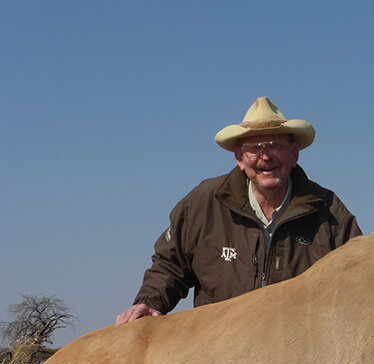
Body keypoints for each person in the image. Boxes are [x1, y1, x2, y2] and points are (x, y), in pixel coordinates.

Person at [116, 97, 361, 325]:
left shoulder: (328, 210)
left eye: (275, 144)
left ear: (294, 153)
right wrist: (149, 302)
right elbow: (170, 264)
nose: (265, 156)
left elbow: (358, 278)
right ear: (239, 158)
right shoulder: (203, 203)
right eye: (254, 147)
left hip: (298, 356)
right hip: (217, 355)